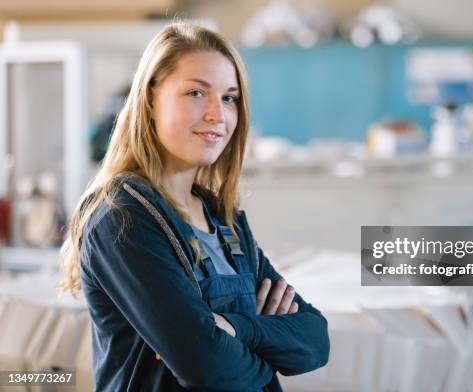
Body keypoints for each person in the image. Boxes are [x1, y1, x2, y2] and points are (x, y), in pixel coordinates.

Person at [59, 22, 329, 392]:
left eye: (229, 98)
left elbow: (315, 341)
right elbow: (210, 370)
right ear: (151, 100)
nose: (218, 115)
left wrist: (237, 329)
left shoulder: (225, 220)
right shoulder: (122, 217)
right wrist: (268, 349)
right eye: (196, 93)